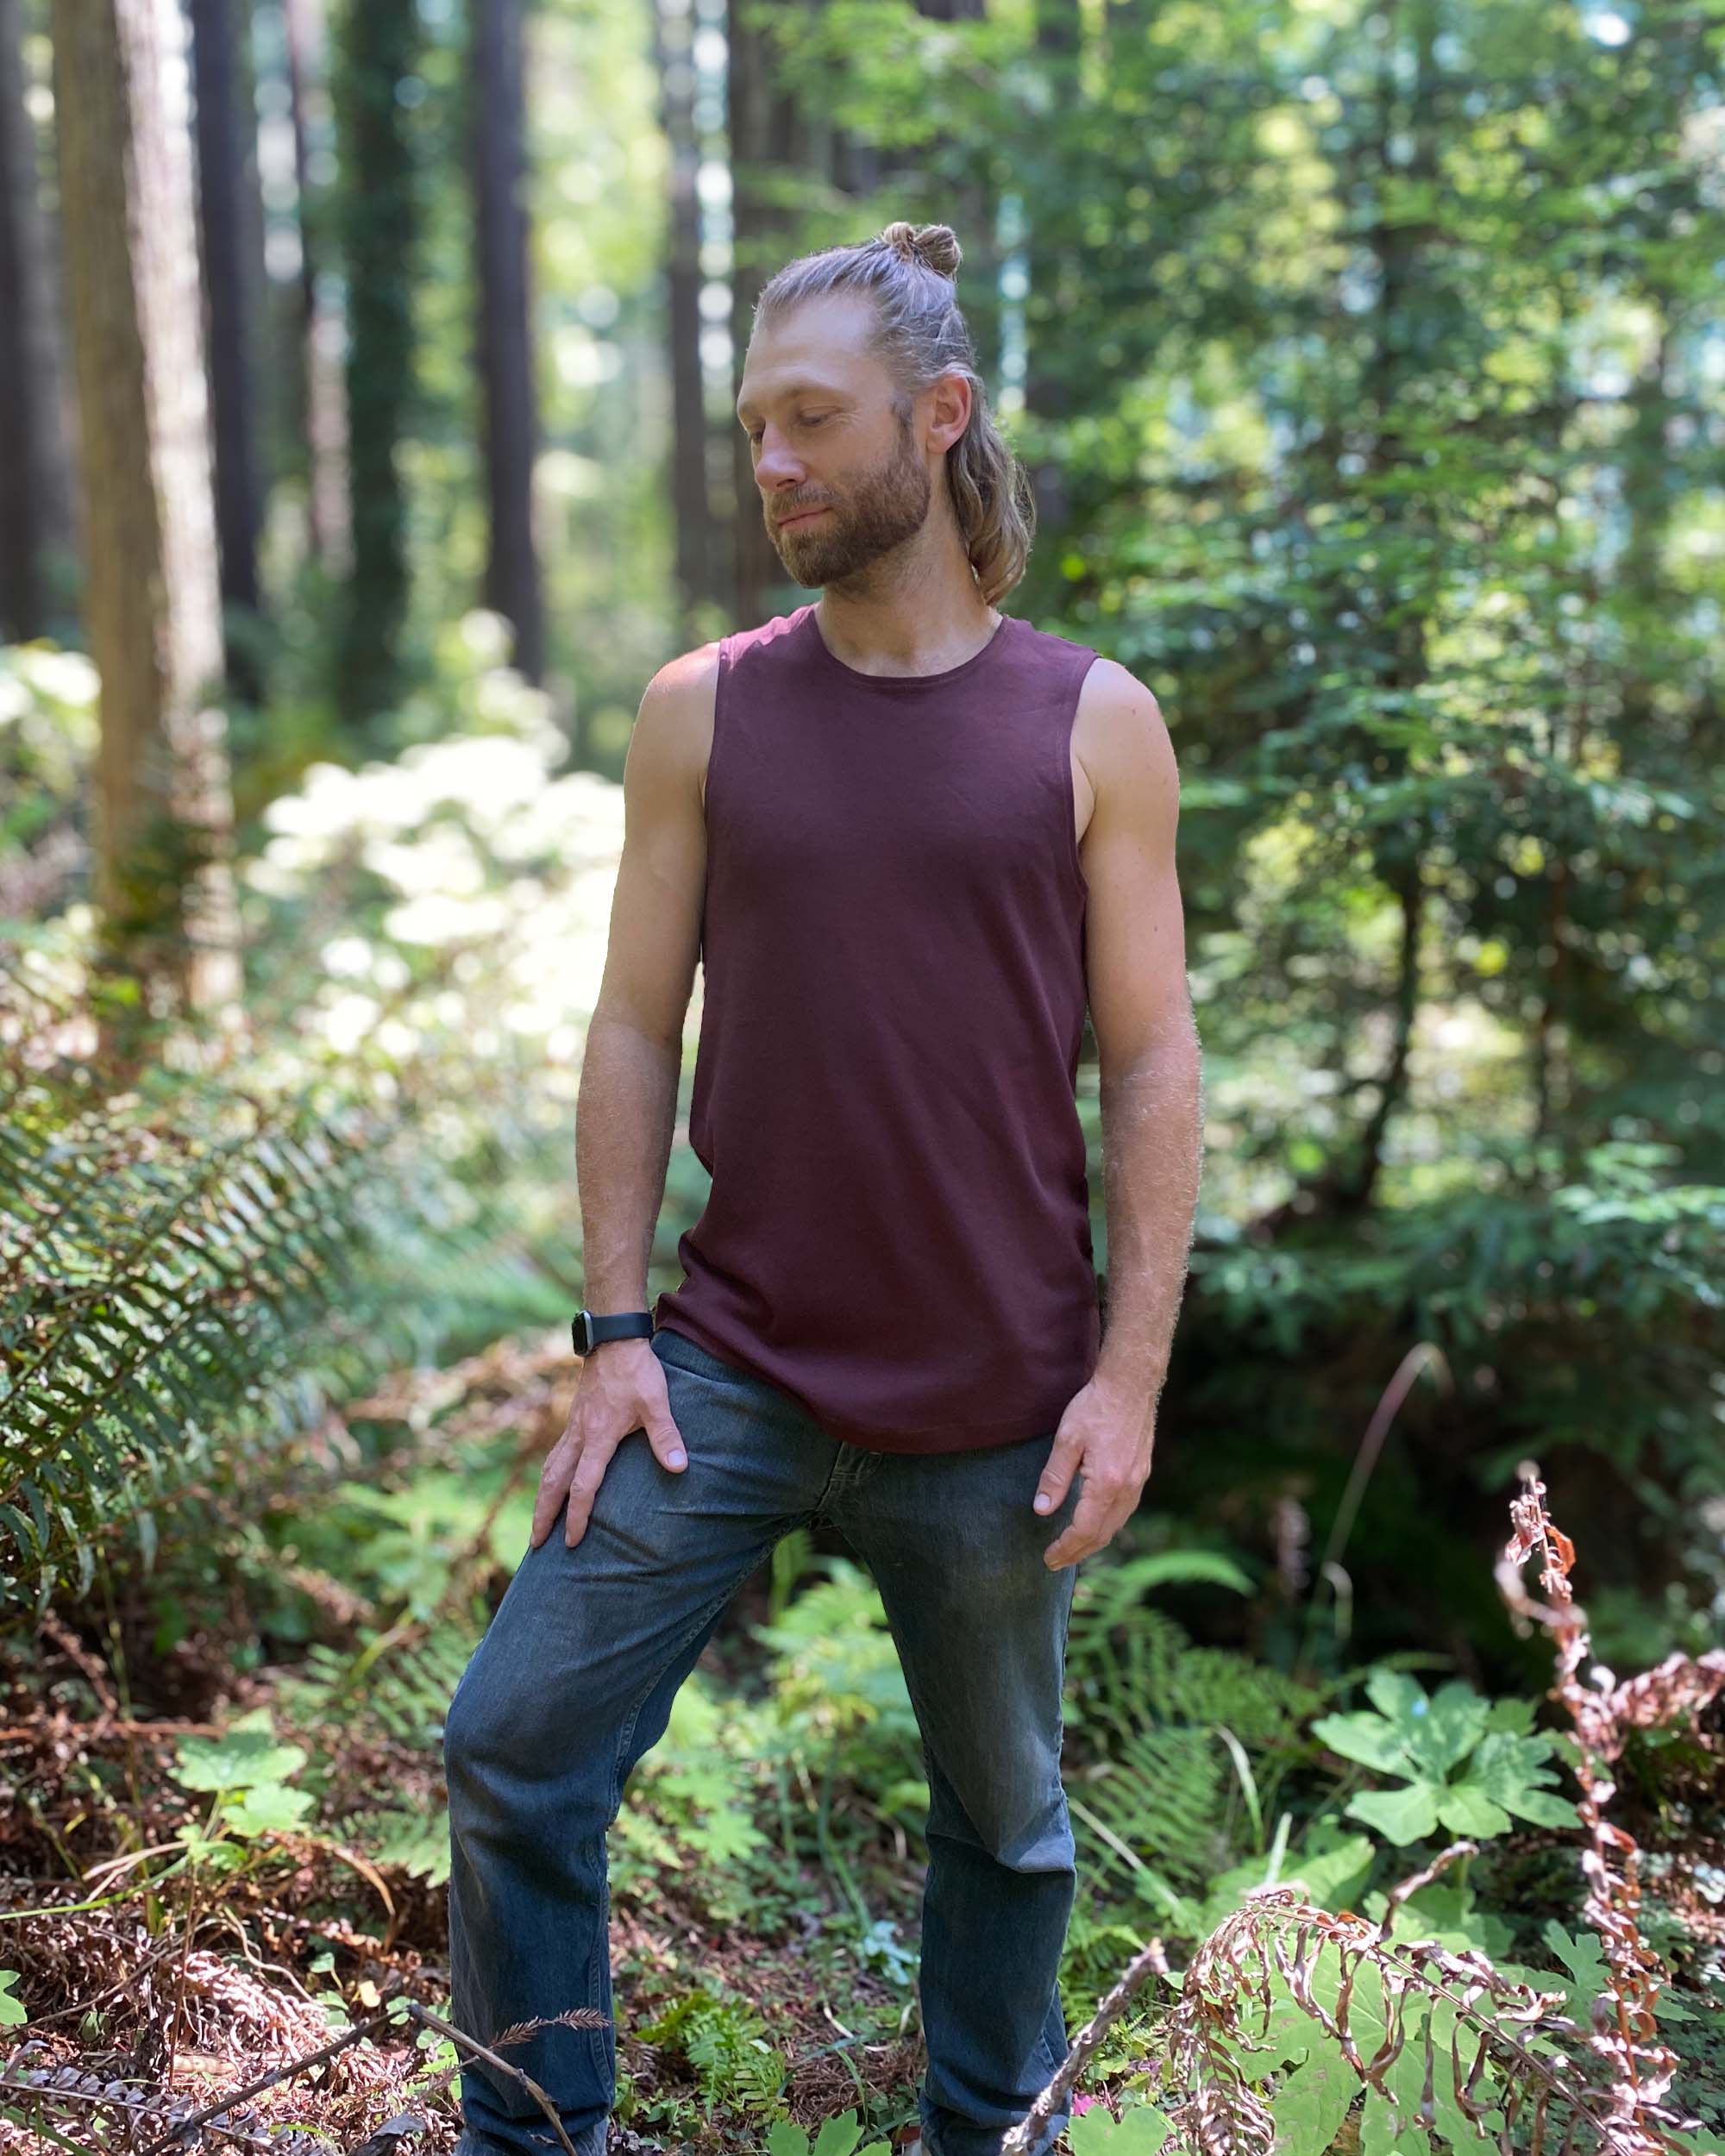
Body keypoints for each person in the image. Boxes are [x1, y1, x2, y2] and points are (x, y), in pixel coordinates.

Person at [443, 219, 1203, 2156]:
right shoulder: (703, 704)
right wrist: (615, 1331)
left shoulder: (1090, 720)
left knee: (1008, 1825)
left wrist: (1126, 1374)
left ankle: (984, 2132)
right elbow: (632, 1025)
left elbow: (1153, 1058)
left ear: (937, 420)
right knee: (516, 1742)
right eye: (753, 425)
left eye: (812, 420)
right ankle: (543, 2136)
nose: (769, 462)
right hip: (732, 1367)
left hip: (993, 1400)